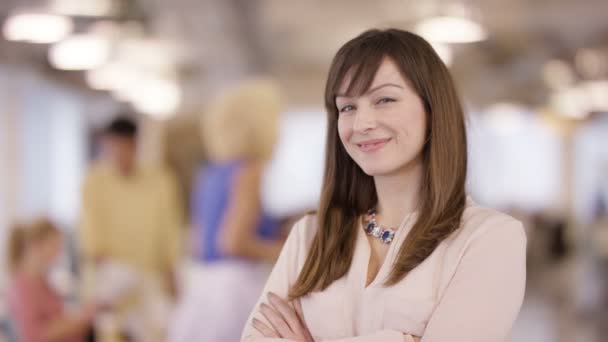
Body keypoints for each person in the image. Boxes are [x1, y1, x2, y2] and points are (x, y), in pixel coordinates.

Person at [241, 29, 527, 342]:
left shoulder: (490, 237)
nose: (362, 124)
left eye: (385, 100)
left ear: (433, 111)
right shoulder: (310, 235)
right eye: (347, 107)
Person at [168, 79, 286, 342]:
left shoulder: (210, 173)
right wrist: (289, 252)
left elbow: (200, 242)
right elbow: (232, 242)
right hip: (235, 290)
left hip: (203, 288)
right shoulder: (250, 170)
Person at [79, 115, 183, 341]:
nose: (118, 155)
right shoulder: (94, 182)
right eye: (112, 148)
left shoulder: (161, 181)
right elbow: (91, 240)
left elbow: (170, 233)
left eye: (124, 148)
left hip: (150, 287)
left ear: (135, 146)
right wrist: (112, 283)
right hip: (111, 285)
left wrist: (171, 274)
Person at [7, 218, 100, 342]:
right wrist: (77, 322)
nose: (59, 252)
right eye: (55, 245)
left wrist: (81, 318)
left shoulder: (42, 280)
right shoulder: (21, 289)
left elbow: (56, 317)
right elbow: (34, 336)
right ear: (36, 245)